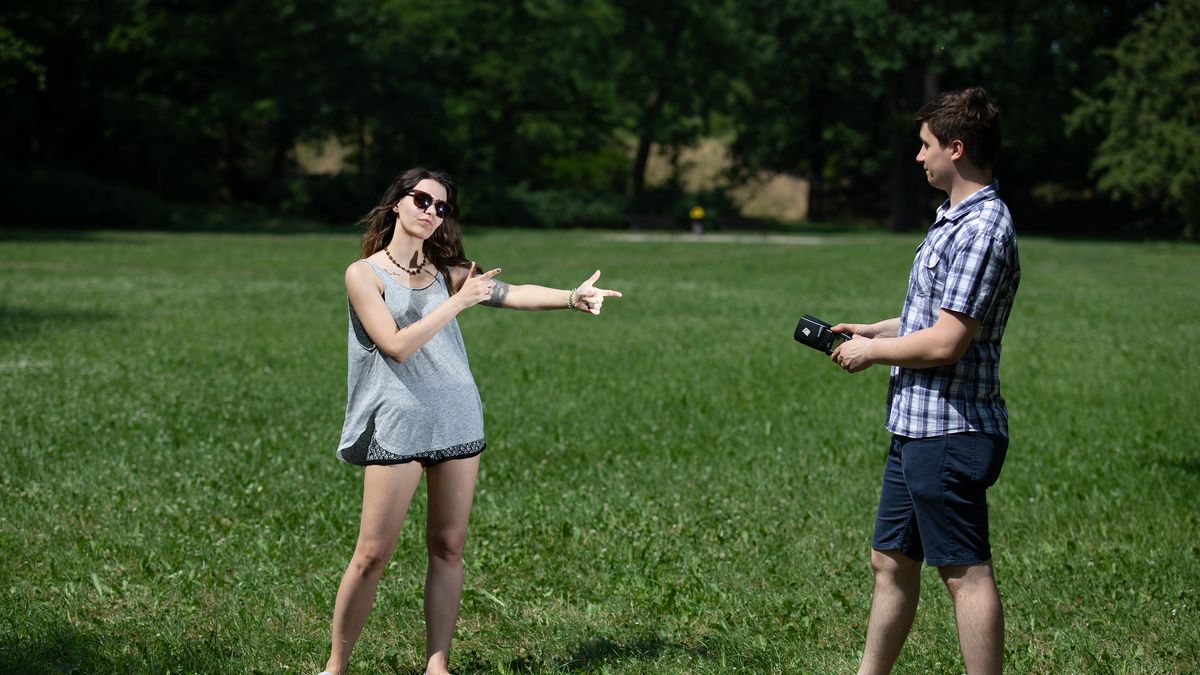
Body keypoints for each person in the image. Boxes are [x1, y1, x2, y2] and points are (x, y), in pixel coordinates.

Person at [318, 167, 622, 675]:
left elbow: (513, 292)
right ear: (397, 203)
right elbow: (395, 346)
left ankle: (437, 665)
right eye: (422, 200)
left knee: (448, 546)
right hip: (398, 425)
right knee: (371, 553)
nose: (431, 212)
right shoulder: (364, 274)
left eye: (441, 207)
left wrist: (571, 298)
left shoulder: (447, 271)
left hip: (458, 420)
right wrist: (458, 301)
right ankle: (335, 666)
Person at [829, 87, 1020, 675]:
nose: (918, 156)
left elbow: (946, 342)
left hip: (951, 431)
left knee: (964, 574)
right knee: (890, 562)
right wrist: (872, 328)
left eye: (926, 144)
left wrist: (873, 352)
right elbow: (932, 319)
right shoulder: (952, 221)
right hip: (917, 426)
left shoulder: (982, 230)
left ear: (955, 149)